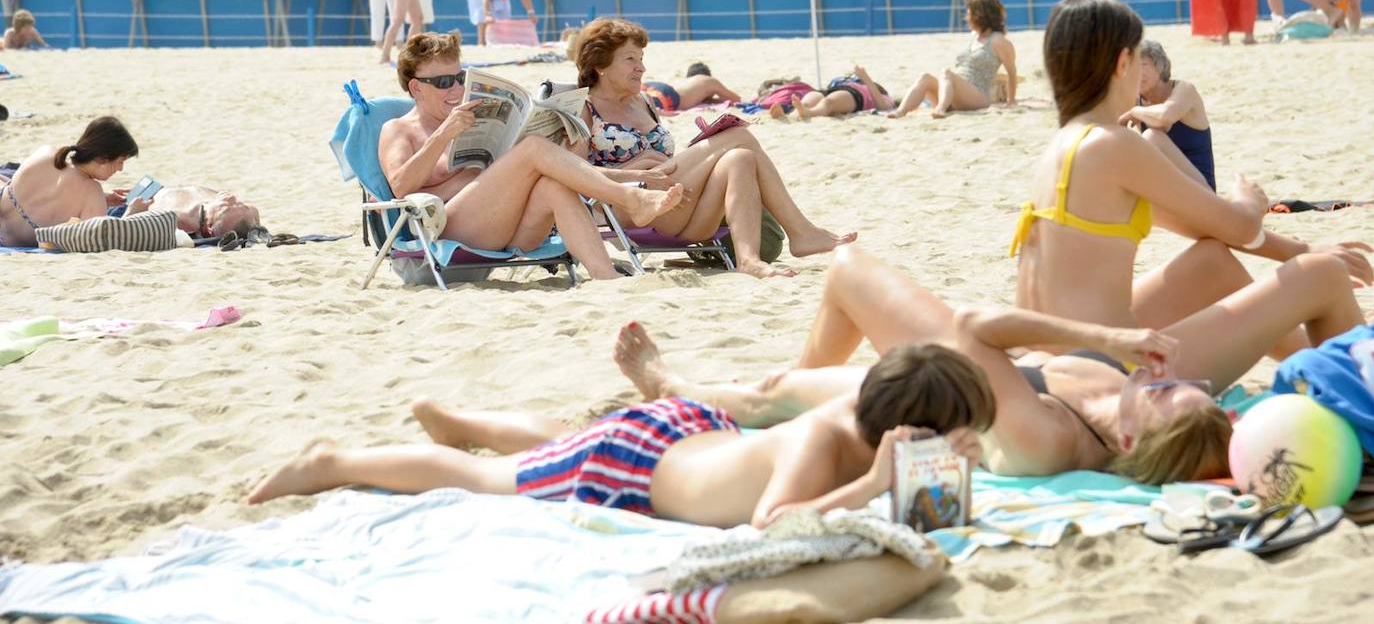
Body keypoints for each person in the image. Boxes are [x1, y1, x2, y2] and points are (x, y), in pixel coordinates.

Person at [611, 237, 1366, 484]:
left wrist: (1109, 341)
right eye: (1192, 388)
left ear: (1134, 441)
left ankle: (673, 388)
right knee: (1221, 264)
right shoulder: (1134, 409)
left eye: (1170, 395)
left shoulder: (1045, 438)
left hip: (961, 385)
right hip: (1032, 366)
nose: (1171, 381)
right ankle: (1357, 392)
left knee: (787, 371)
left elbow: (974, 328)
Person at [246, 337, 992, 529]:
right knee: (488, 480)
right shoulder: (824, 441)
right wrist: (872, 485)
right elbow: (772, 523)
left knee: (558, 441)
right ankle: (332, 462)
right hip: (634, 469)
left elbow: (931, 515)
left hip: (688, 433)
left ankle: (466, 421)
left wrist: (949, 474)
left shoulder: (883, 431)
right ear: (910, 428)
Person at [1011, 0, 1371, 351]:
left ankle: (1308, 360)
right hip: (1099, 365)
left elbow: (1213, 230)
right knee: (1324, 274)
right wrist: (1249, 200)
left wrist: (1304, 247)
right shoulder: (1115, 145)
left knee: (1212, 262)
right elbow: (1240, 226)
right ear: (1123, 63)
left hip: (1054, 351)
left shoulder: (1062, 147)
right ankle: (1354, 377)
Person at [378, 31, 683, 281]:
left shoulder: (470, 117)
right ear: (416, 88)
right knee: (534, 148)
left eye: (460, 78)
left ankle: (605, 276)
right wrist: (443, 134)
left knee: (554, 184)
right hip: (447, 229)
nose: (456, 88)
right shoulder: (399, 130)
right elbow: (401, 187)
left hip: (504, 224)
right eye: (444, 82)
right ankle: (630, 199)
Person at [571, 19, 856, 278]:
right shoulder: (585, 108)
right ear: (601, 65)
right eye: (630, 59)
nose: (641, 67)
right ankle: (801, 231)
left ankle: (748, 259)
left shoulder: (644, 102)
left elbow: (669, 161)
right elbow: (576, 175)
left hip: (679, 202)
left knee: (740, 158)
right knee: (737, 136)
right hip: (632, 204)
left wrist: (670, 164)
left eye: (641, 59)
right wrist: (640, 164)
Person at [0, 117, 144, 247]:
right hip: (11, 243)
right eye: (120, 161)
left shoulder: (46, 152)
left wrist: (103, 198)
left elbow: (44, 193)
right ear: (102, 158)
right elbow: (101, 241)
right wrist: (131, 213)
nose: (120, 168)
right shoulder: (92, 191)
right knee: (119, 212)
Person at [887, 0, 1016, 119]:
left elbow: (1011, 72)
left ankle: (941, 109)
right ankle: (900, 112)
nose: (966, 17)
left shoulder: (998, 41)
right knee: (925, 77)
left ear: (980, 16)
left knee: (946, 73)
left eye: (969, 13)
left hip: (977, 95)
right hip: (956, 93)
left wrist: (1011, 101)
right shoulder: (975, 37)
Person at [1119, 40, 1214, 190]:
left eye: (1142, 65)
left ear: (1160, 66)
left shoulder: (1185, 90)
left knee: (1152, 136)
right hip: (1167, 194)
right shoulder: (1135, 99)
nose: (1136, 72)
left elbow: (1165, 117)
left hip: (1201, 191)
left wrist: (1134, 112)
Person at [109, 185, 262, 239]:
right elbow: (253, 212)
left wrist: (132, 211)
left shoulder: (180, 220)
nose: (232, 199)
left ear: (209, 227)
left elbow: (120, 229)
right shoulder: (245, 216)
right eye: (241, 205)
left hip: (128, 207)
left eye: (225, 208)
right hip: (147, 191)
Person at [789, 65, 893, 119]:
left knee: (827, 102)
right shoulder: (854, 83)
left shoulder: (884, 96)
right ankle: (791, 115)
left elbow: (884, 107)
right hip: (835, 89)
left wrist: (867, 79)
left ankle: (809, 113)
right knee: (808, 100)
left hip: (855, 95)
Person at [640, 62, 742, 112]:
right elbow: (736, 99)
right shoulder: (709, 80)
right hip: (668, 97)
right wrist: (713, 97)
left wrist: (709, 99)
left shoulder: (684, 83)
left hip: (654, 86)